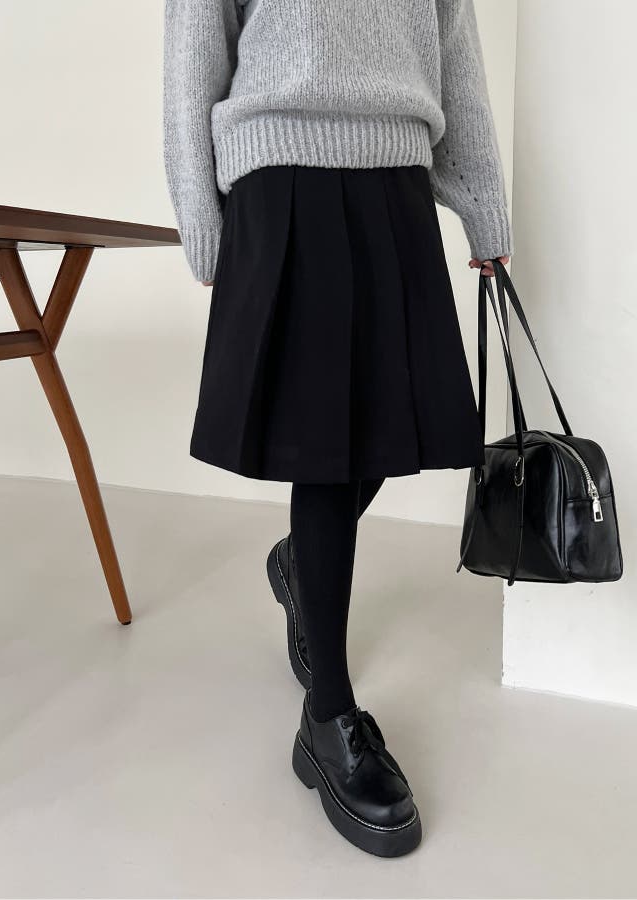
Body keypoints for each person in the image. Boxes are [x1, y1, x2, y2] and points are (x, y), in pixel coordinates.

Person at [163, 0, 511, 857]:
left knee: (403, 421)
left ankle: (298, 564)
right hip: (282, 170)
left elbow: (455, 47)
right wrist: (202, 219)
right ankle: (328, 719)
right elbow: (194, 45)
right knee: (325, 450)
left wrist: (482, 202)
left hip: (396, 172)